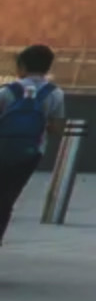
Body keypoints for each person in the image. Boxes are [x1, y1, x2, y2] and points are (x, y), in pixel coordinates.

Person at [0, 46, 65, 245]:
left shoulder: (7, 92)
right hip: (30, 152)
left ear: (22, 66)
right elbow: (57, 128)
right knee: (7, 197)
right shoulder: (55, 94)